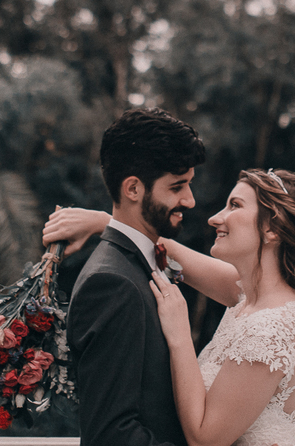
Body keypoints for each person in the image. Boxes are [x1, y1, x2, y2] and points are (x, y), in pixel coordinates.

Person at [44, 167, 295, 446]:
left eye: (234, 206)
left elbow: (204, 438)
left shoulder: (272, 329)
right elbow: (166, 251)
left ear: (273, 230)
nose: (214, 218)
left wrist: (179, 335)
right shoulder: (249, 297)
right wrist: (104, 221)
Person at [65, 107, 207, 446]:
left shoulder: (139, 265)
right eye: (177, 187)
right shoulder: (112, 284)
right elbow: (111, 435)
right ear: (133, 189)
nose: (190, 200)